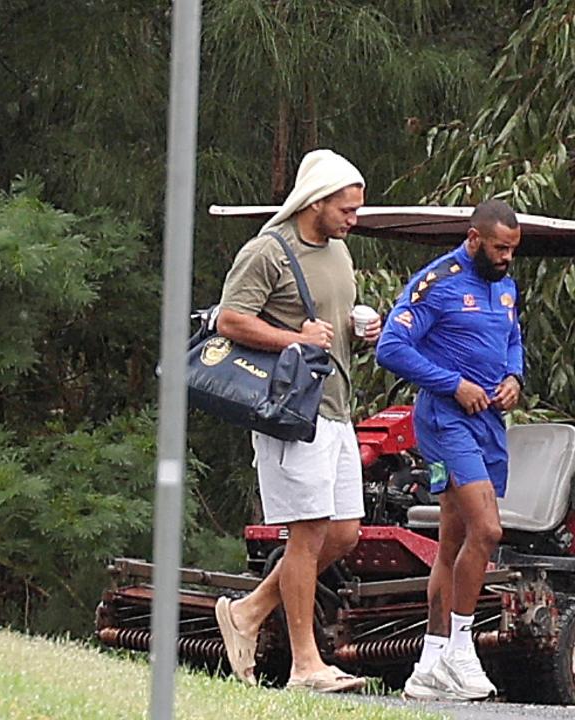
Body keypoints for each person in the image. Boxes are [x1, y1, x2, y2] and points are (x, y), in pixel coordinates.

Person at [212, 149, 377, 693]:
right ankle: (306, 666)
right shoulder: (269, 250)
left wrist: (361, 331)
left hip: (337, 411)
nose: (355, 219)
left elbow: (330, 329)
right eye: (347, 210)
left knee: (344, 533)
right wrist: (295, 339)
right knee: (305, 535)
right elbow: (230, 319)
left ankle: (249, 610)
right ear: (317, 201)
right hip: (290, 414)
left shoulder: (339, 255)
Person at [377, 200, 523, 701]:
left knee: (453, 540)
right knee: (487, 529)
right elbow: (391, 348)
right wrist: (452, 384)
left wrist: (513, 377)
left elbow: (513, 339)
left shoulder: (505, 285)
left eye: (513, 249)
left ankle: (430, 661)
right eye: (500, 248)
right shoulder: (437, 282)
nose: (507, 258)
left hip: (489, 419)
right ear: (475, 238)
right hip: (445, 418)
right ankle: (463, 648)